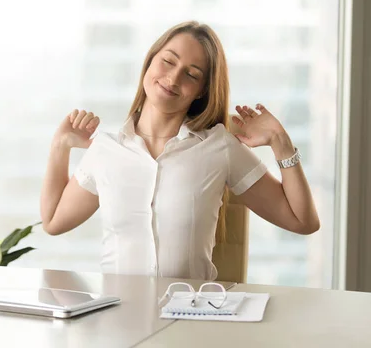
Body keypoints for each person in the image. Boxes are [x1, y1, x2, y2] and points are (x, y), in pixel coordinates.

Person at [40, 21, 319, 280]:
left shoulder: (219, 147)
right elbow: (53, 222)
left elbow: (302, 221)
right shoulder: (106, 150)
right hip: (117, 320)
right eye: (168, 61)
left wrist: (281, 145)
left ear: (201, 90)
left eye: (191, 74)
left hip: (190, 321)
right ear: (150, 61)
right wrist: (60, 146)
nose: (173, 78)